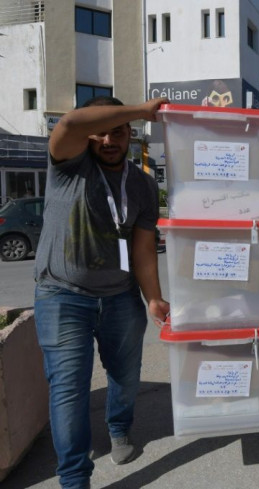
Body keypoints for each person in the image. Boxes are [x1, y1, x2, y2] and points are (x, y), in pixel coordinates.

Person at [33, 95, 170, 489]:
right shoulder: (69, 163)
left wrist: (154, 298)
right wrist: (138, 111)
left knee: (125, 377)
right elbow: (69, 124)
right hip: (62, 294)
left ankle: (119, 428)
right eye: (102, 132)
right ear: (89, 134)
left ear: (131, 136)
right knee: (68, 387)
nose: (109, 140)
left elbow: (144, 250)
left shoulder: (142, 184)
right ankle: (75, 479)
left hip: (120, 296)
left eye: (119, 132)